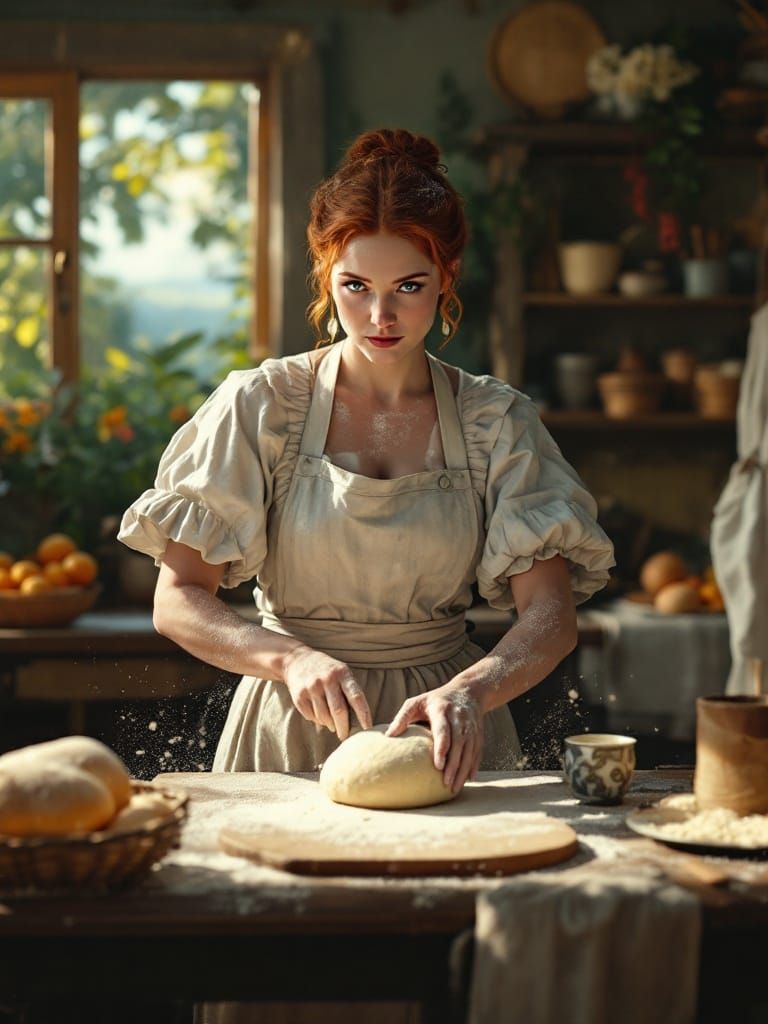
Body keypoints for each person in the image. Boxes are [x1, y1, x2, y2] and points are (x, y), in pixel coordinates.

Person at [118, 126, 614, 800]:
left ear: (447, 277)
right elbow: (177, 600)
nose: (380, 315)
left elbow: (550, 618)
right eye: (354, 286)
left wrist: (472, 691)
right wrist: (288, 659)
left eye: (409, 286)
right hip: (289, 727)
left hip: (447, 732)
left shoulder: (495, 422)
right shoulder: (261, 405)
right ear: (326, 275)